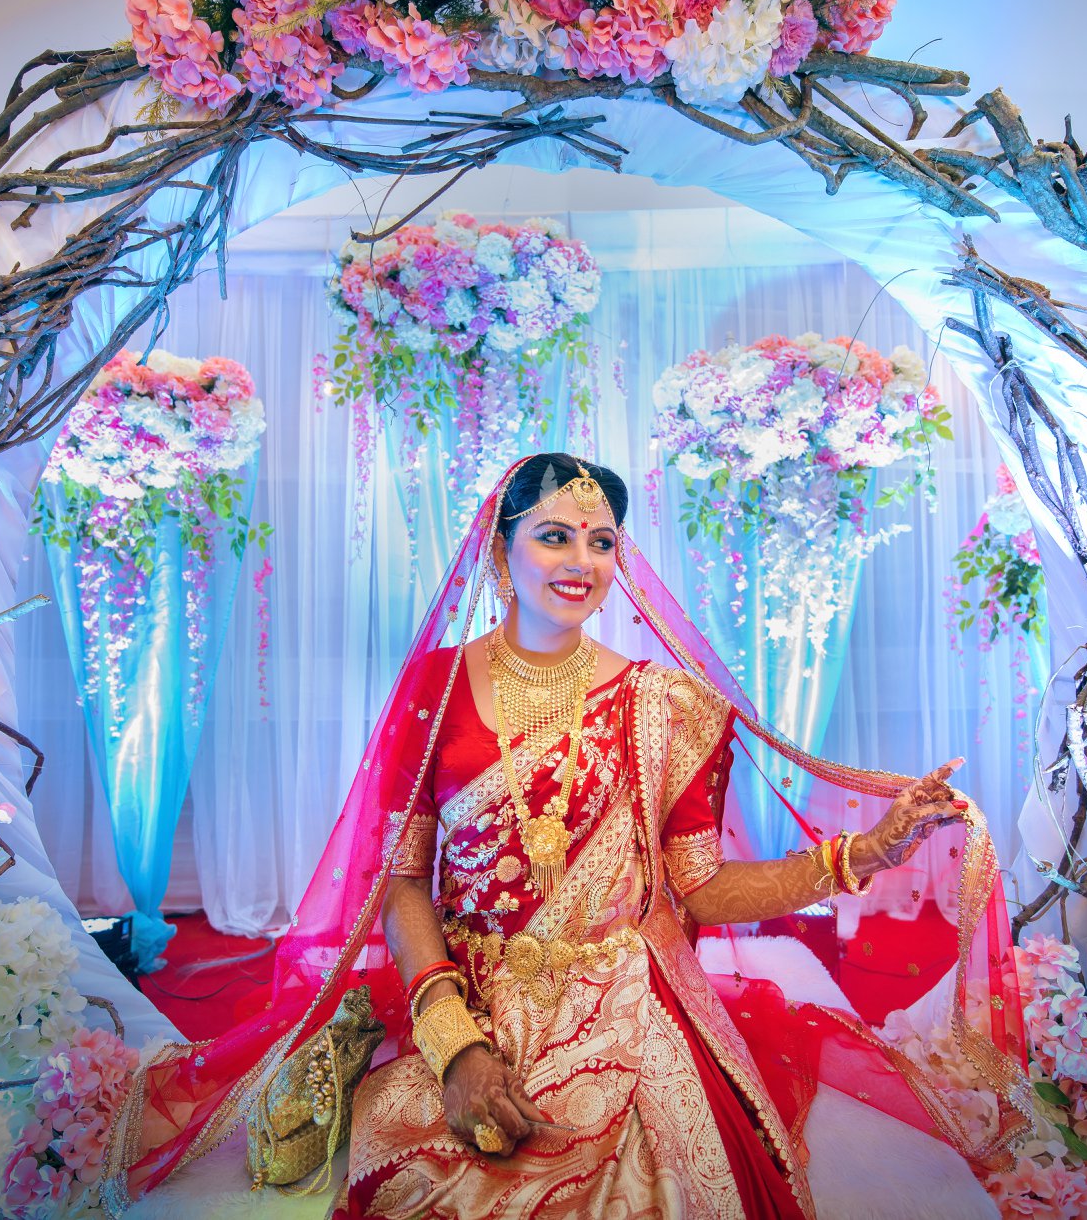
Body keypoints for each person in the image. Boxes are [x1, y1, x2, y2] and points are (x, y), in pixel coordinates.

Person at [104, 455, 1027, 1219]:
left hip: (626, 994)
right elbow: (404, 884)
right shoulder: (433, 685)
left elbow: (701, 890)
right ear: (501, 550)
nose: (580, 558)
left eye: (602, 540)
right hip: (467, 990)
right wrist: (455, 1042)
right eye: (554, 534)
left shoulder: (668, 705)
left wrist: (864, 854)